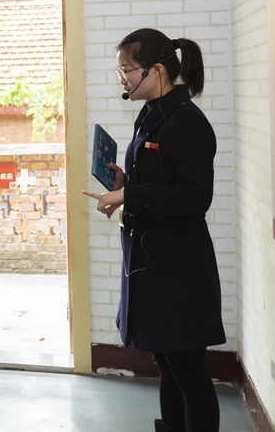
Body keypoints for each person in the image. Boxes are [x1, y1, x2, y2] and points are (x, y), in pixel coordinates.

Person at [82, 29, 225, 432]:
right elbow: (162, 182)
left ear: (156, 70)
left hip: (179, 268)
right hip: (153, 263)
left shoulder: (187, 122)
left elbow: (195, 196)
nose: (123, 78)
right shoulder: (150, 114)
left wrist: (130, 195)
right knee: (168, 365)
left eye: (127, 70)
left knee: (190, 374)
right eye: (120, 71)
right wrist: (125, 183)